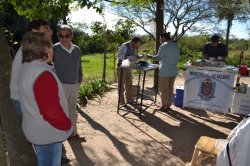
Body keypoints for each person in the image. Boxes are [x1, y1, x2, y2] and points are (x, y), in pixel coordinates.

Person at [18, 31, 73, 166]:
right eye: (51, 47)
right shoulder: (43, 74)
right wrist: (67, 125)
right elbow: (51, 111)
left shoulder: (26, 68)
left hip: (36, 129)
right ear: (46, 50)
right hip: (48, 133)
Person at [9, 19, 52, 117]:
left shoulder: (30, 47)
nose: (48, 32)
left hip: (23, 98)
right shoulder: (30, 50)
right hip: (22, 99)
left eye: (49, 29)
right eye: (45, 29)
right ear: (34, 31)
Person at [53, 25, 83, 138]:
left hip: (75, 84)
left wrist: (79, 79)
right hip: (61, 85)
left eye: (67, 35)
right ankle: (62, 134)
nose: (64, 38)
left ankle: (73, 132)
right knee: (62, 111)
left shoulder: (77, 49)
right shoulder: (54, 49)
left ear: (72, 36)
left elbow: (79, 66)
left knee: (72, 110)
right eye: (61, 35)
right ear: (58, 36)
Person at [148, 32, 180, 112]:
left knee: (163, 89)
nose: (160, 40)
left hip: (165, 70)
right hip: (173, 70)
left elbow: (158, 58)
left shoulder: (164, 46)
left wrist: (150, 56)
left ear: (163, 38)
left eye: (160, 38)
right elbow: (178, 58)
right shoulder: (176, 46)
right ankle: (168, 104)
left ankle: (165, 106)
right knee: (170, 88)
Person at [117, 37, 142, 104]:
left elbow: (132, 56)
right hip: (122, 66)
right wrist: (132, 57)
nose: (138, 46)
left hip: (128, 66)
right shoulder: (125, 45)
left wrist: (138, 56)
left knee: (129, 84)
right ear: (134, 42)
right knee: (121, 85)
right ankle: (121, 101)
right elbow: (120, 56)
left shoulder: (133, 47)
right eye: (138, 44)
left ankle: (129, 98)